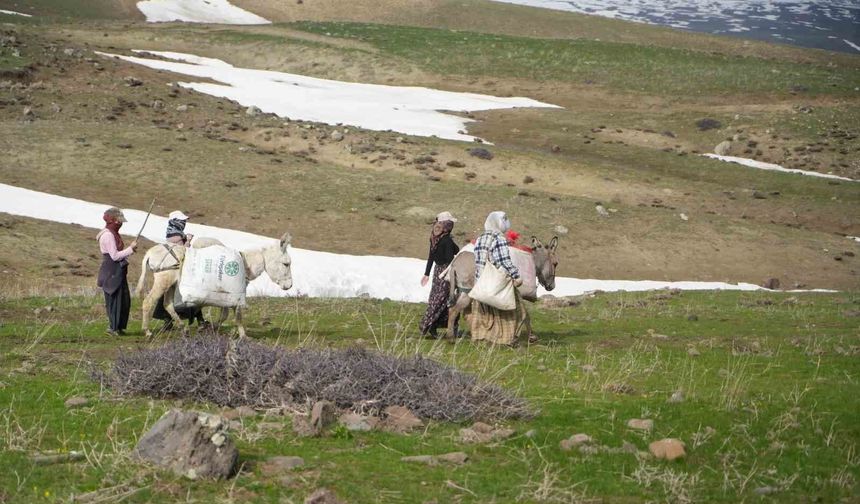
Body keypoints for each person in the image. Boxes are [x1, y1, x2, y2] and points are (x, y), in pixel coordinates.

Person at [470, 211, 529, 346]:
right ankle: (506, 339)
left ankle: (484, 338)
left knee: (486, 312)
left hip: (481, 282)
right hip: (497, 282)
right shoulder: (499, 238)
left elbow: (478, 259)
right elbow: (504, 260)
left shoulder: (480, 238)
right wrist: (516, 275)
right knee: (516, 309)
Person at [153, 210, 207, 329]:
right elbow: (183, 252)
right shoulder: (177, 237)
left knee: (167, 296)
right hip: (179, 271)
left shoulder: (171, 234)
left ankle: (167, 321)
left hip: (171, 270)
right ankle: (200, 321)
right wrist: (188, 241)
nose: (184, 223)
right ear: (176, 222)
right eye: (182, 221)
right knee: (191, 295)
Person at [96, 207, 137, 336]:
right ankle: (113, 328)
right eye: (119, 221)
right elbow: (114, 256)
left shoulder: (112, 233)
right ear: (113, 220)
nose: (120, 224)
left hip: (117, 271)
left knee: (123, 299)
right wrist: (130, 249)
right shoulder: (108, 235)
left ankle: (118, 328)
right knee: (114, 300)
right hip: (112, 271)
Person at [419, 211, 460, 338]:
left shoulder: (434, 238)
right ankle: (427, 324)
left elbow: (431, 257)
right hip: (446, 272)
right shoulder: (447, 240)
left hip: (437, 271)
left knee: (435, 298)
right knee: (445, 299)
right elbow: (451, 257)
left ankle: (432, 326)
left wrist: (426, 274)